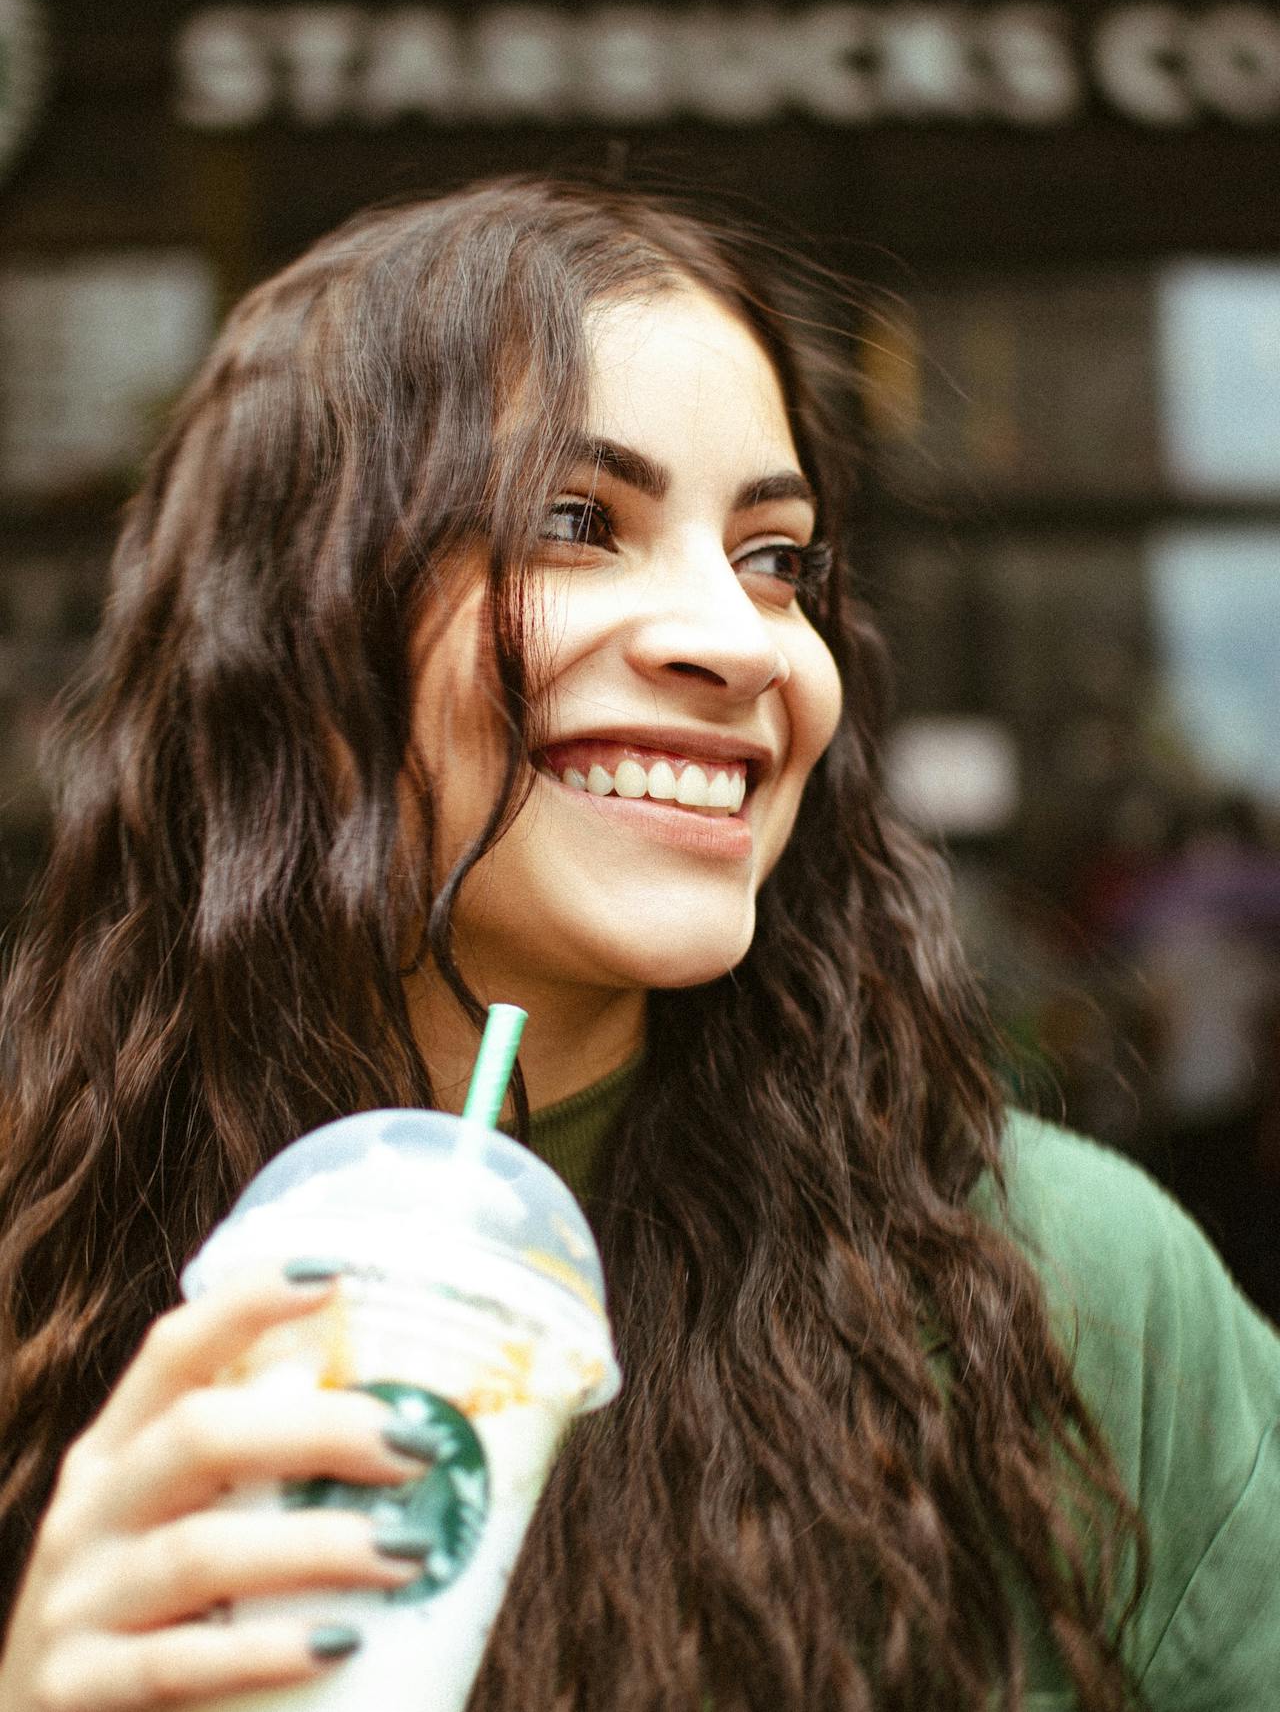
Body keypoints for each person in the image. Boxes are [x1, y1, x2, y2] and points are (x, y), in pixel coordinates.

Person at [0, 176, 1276, 1712]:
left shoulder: (1064, 1289)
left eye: (775, 556)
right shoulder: (37, 1262)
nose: (739, 641)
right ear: (291, 631)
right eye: (573, 521)